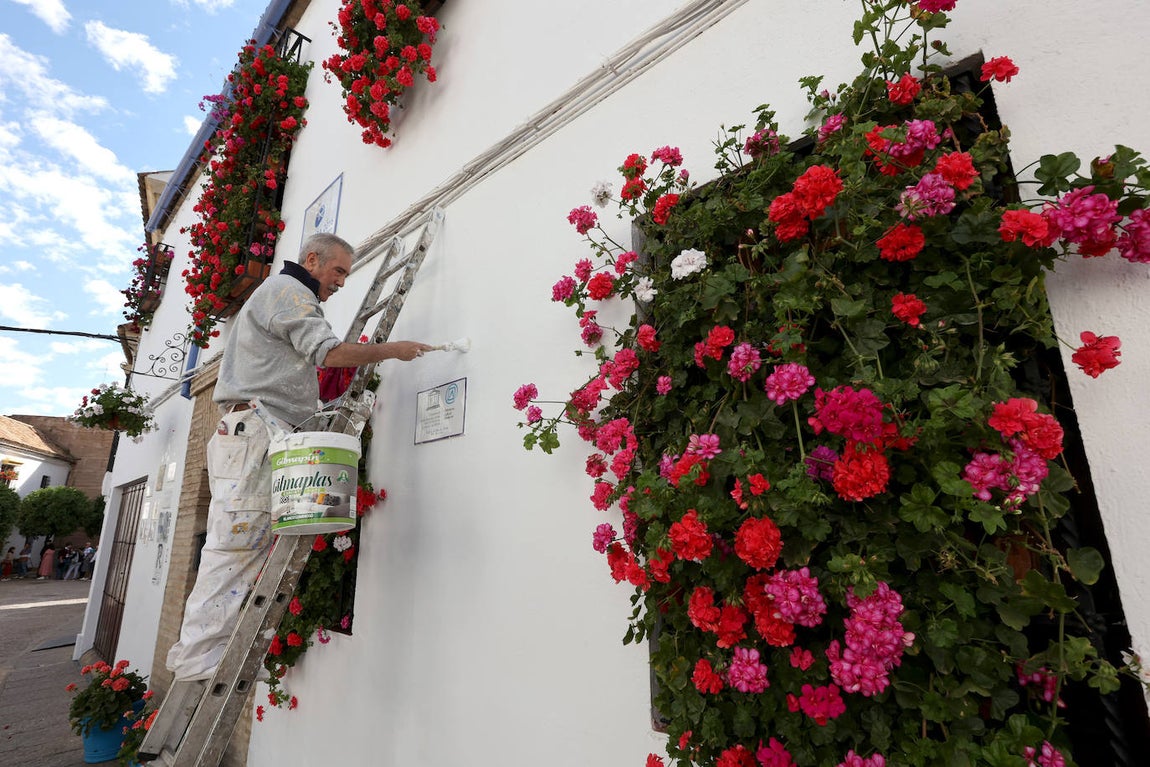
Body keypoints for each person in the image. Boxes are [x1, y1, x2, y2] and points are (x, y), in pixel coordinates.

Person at [166, 233, 432, 681]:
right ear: (312, 260)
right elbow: (327, 353)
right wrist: (393, 349)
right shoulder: (289, 292)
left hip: (260, 433)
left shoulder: (281, 294)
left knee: (245, 541)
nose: (342, 282)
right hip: (254, 434)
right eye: (339, 271)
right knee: (235, 542)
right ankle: (198, 658)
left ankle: (205, 651)